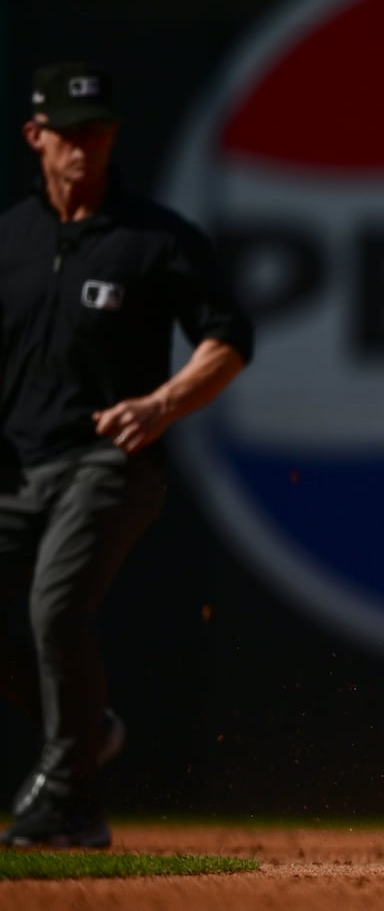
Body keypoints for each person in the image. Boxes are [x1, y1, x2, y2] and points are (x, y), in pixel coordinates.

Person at [0, 62, 254, 847]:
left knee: (54, 605)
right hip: (16, 465)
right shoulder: (11, 236)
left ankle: (72, 798)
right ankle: (81, 726)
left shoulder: (153, 237)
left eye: (99, 130)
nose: (86, 146)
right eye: (70, 133)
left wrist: (162, 403)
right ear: (35, 136)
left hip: (111, 461)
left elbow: (229, 335)